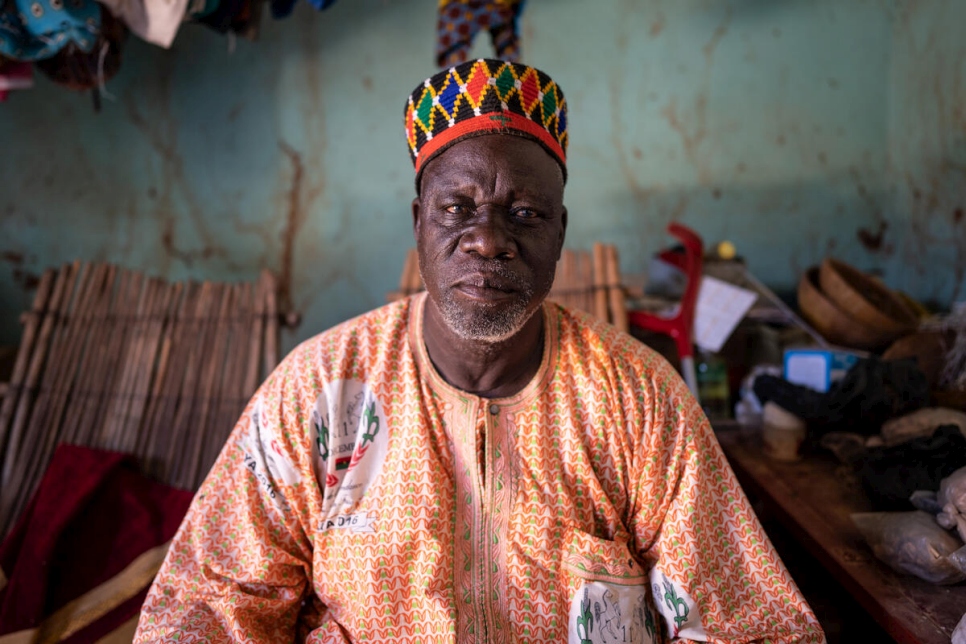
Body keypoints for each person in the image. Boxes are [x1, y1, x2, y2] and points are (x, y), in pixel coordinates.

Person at [135, 59, 825, 643]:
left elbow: (749, 623)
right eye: (457, 208)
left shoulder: (638, 397)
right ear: (418, 223)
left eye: (524, 213)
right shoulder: (321, 389)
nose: (489, 240)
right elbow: (208, 606)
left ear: (559, 232)